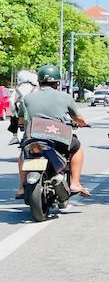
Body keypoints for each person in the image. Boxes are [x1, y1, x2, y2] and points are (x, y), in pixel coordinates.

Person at [17, 65, 92, 198]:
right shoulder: (65, 97)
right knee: (77, 147)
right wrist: (84, 124)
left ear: (39, 82)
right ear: (57, 83)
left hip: (33, 136)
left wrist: (23, 126)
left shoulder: (27, 98)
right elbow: (77, 118)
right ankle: (74, 183)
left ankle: (22, 187)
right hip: (58, 135)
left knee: (24, 153)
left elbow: (21, 120)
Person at [8, 69, 37, 145]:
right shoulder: (35, 89)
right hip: (33, 112)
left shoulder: (17, 90)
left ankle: (15, 136)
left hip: (20, 113)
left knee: (14, 119)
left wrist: (13, 112)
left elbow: (11, 101)